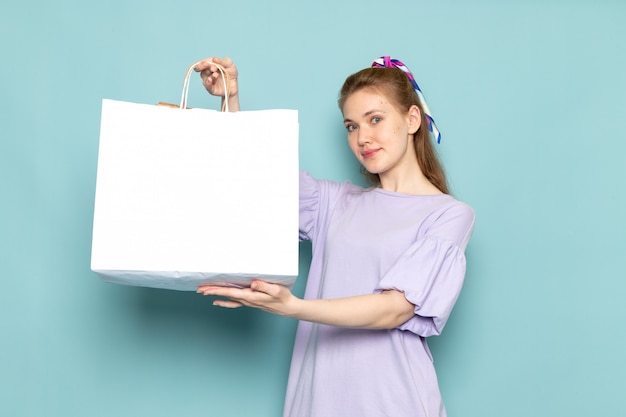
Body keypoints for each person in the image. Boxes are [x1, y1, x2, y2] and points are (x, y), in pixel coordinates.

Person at [195, 56, 475, 417]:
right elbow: (255, 178)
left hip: (395, 402)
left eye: (375, 119)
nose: (363, 138)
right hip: (316, 401)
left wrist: (293, 307)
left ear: (412, 119)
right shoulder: (331, 202)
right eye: (351, 126)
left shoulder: (449, 215)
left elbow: (395, 308)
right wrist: (230, 99)